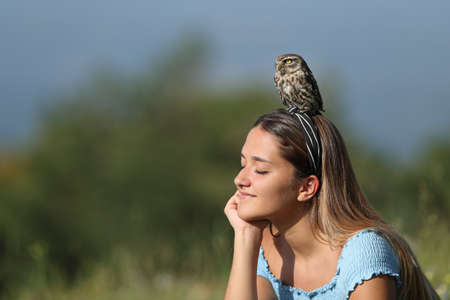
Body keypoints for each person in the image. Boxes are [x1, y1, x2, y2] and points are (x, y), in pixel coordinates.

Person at [224, 108, 439, 300]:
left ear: (306, 187)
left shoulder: (364, 254)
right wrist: (245, 237)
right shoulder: (265, 250)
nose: (239, 179)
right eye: (243, 164)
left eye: (260, 170)